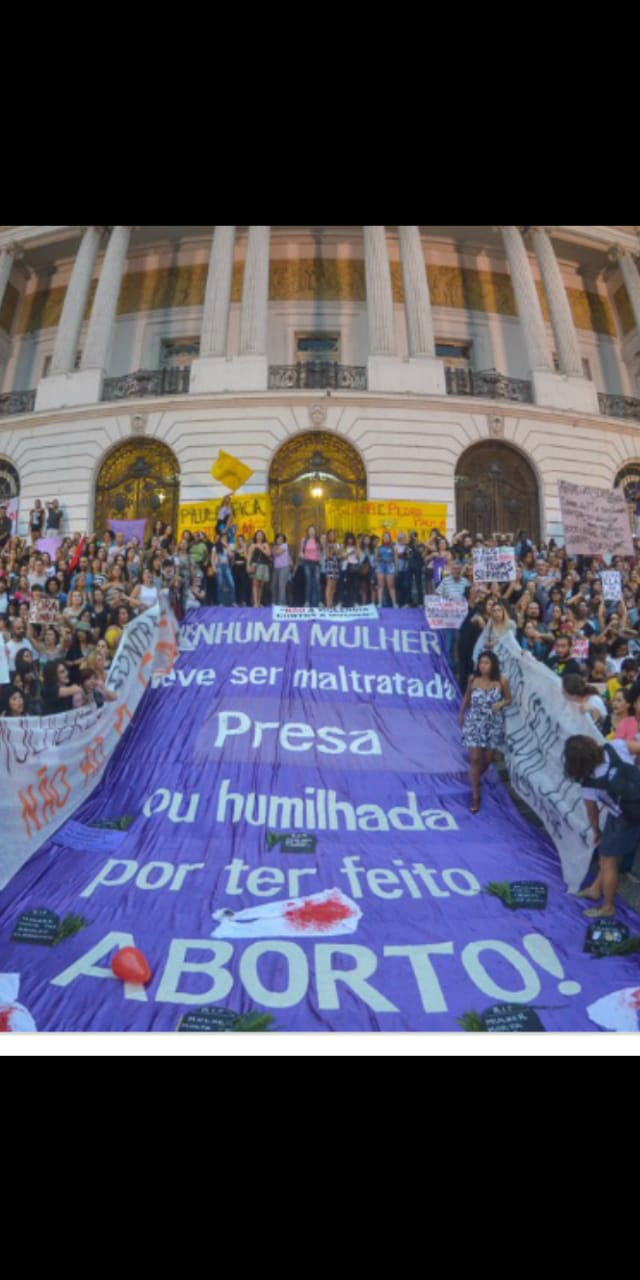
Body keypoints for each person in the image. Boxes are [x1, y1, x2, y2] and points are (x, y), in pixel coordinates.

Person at [564, 735, 640, 917]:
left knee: (607, 861)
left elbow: (592, 813)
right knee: (610, 856)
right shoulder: (616, 747)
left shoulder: (589, 783)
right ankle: (595, 889)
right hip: (630, 811)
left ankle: (607, 907)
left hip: (623, 818)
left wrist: (597, 831)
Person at [459, 650, 512, 813]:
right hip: (475, 721)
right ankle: (476, 796)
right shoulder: (473, 679)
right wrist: (461, 714)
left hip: (493, 723)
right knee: (475, 758)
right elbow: (467, 698)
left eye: (487, 662)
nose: (483, 666)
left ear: (493, 664)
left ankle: (474, 777)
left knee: (488, 759)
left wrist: (501, 704)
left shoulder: (501, 681)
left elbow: (509, 698)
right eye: (481, 662)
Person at [247, 531, 271, 607]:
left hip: (264, 565)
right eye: (258, 535)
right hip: (255, 565)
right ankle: (255, 602)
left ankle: (259, 601)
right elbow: (249, 556)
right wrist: (248, 565)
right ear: (255, 536)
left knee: (261, 585)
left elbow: (268, 554)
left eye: (261, 535)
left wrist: (260, 547)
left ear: (263, 536)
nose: (259, 536)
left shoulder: (265, 545)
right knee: (255, 584)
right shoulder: (252, 545)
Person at [376, 531, 397, 607]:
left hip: (390, 566)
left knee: (391, 585)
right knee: (380, 585)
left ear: (390, 538)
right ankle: (379, 603)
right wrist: (380, 559)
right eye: (384, 537)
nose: (386, 538)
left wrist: (396, 568)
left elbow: (395, 558)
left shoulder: (393, 547)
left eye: (387, 537)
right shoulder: (379, 547)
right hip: (381, 566)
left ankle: (394, 603)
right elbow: (376, 558)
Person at [271, 534, 290, 606]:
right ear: (276, 539)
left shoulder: (285, 545)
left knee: (282, 585)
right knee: (274, 585)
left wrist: (274, 550)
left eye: (281, 539)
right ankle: (274, 602)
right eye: (278, 538)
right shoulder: (275, 546)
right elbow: (272, 554)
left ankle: (282, 603)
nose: (280, 540)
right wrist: (274, 550)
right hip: (276, 567)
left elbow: (277, 553)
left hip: (284, 567)